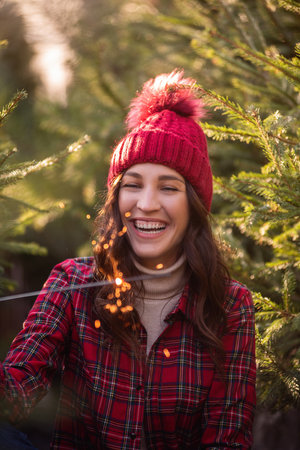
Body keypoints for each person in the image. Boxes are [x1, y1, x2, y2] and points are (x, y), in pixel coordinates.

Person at [0, 70, 256, 449]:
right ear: (117, 200)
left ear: (195, 206)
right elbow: (16, 392)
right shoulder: (72, 282)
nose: (146, 204)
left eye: (168, 188)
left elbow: (227, 437)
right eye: (132, 185)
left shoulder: (230, 305)